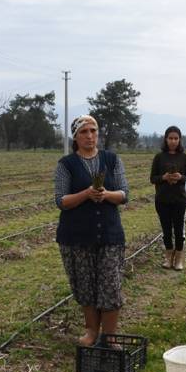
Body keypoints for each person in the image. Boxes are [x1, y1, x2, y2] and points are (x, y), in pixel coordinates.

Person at [55, 115, 130, 347]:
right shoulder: (66, 164)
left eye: (93, 131)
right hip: (77, 235)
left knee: (110, 285)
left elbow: (124, 194)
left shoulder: (111, 160)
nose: (89, 136)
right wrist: (86, 194)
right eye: (84, 132)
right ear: (76, 137)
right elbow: (61, 200)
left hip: (109, 234)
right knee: (85, 285)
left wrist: (106, 194)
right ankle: (91, 331)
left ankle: (109, 336)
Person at [150, 126, 186, 270]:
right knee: (166, 230)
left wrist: (180, 177)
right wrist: (164, 177)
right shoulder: (159, 157)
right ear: (166, 139)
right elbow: (152, 178)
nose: (173, 141)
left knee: (179, 229)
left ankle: (179, 258)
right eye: (170, 138)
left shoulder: (185, 158)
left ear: (179, 140)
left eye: (176, 138)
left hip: (179, 199)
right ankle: (168, 257)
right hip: (162, 199)